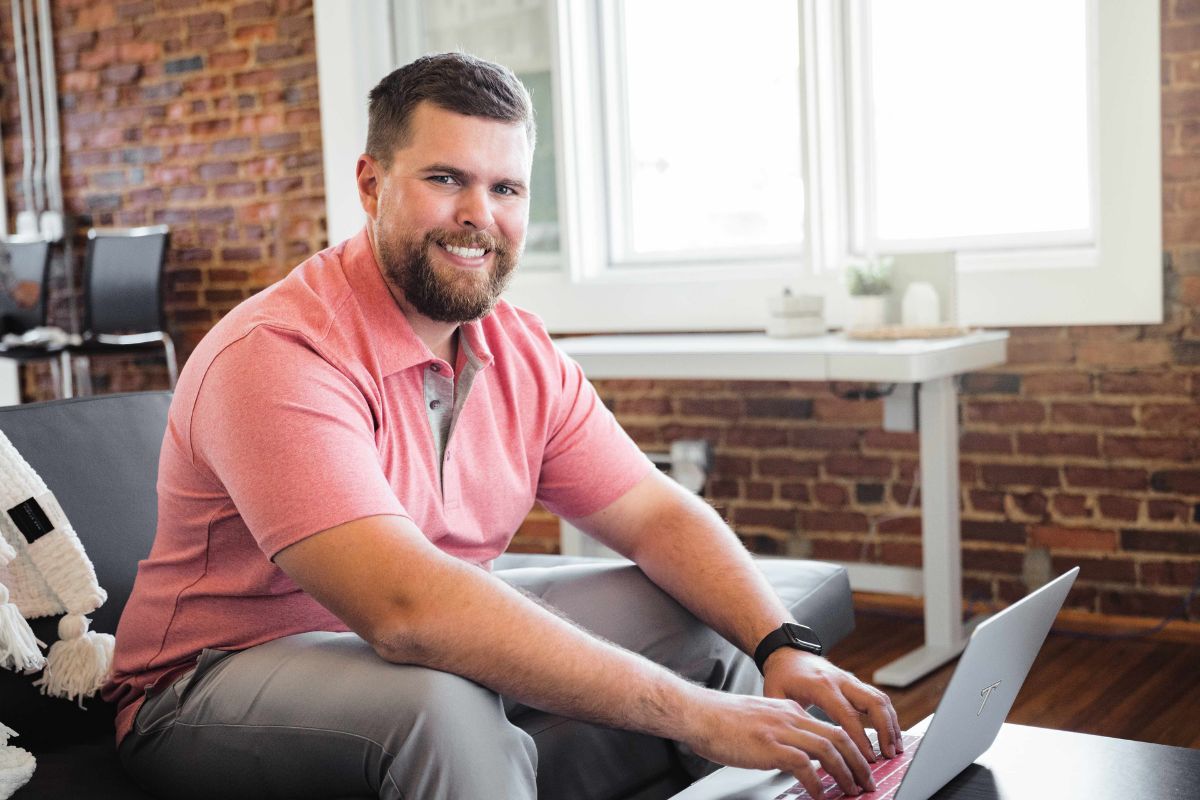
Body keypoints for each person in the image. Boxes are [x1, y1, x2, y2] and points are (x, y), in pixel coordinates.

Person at [103, 52, 901, 800]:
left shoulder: (514, 343)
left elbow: (655, 514)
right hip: (209, 678)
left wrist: (781, 642)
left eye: (506, 189)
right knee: (438, 705)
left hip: (405, 636)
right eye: (446, 179)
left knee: (697, 609)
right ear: (372, 184)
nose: (477, 217)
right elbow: (407, 610)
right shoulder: (277, 352)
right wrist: (698, 714)